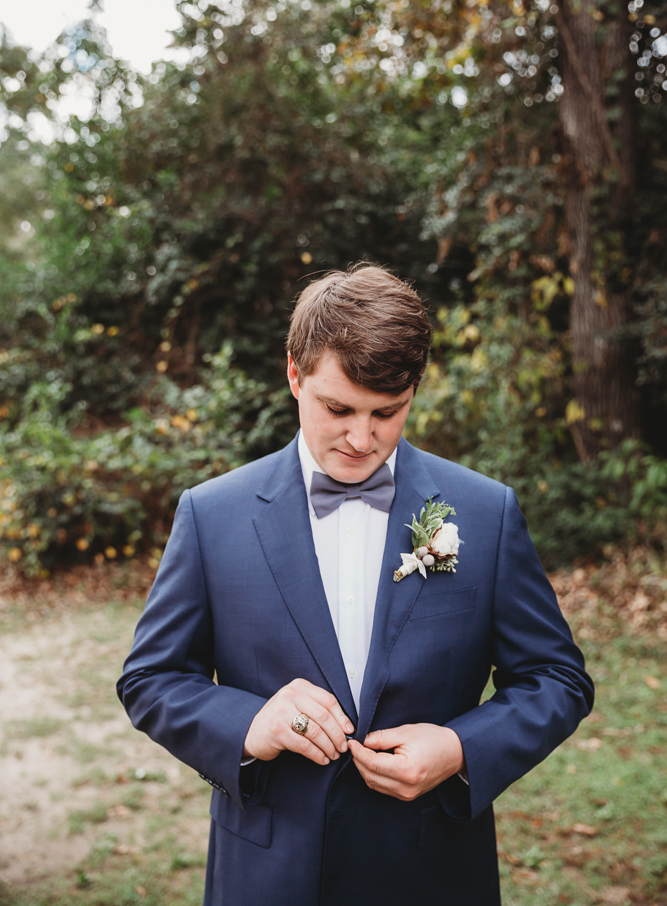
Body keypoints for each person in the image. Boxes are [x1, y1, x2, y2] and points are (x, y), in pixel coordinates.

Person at [117, 265, 593, 906]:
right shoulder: (212, 515)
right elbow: (150, 678)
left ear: (414, 393)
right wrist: (248, 724)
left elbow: (557, 679)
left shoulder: (485, 513)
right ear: (294, 374)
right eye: (338, 408)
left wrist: (460, 748)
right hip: (267, 874)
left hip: (432, 873)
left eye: (387, 413)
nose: (361, 439)